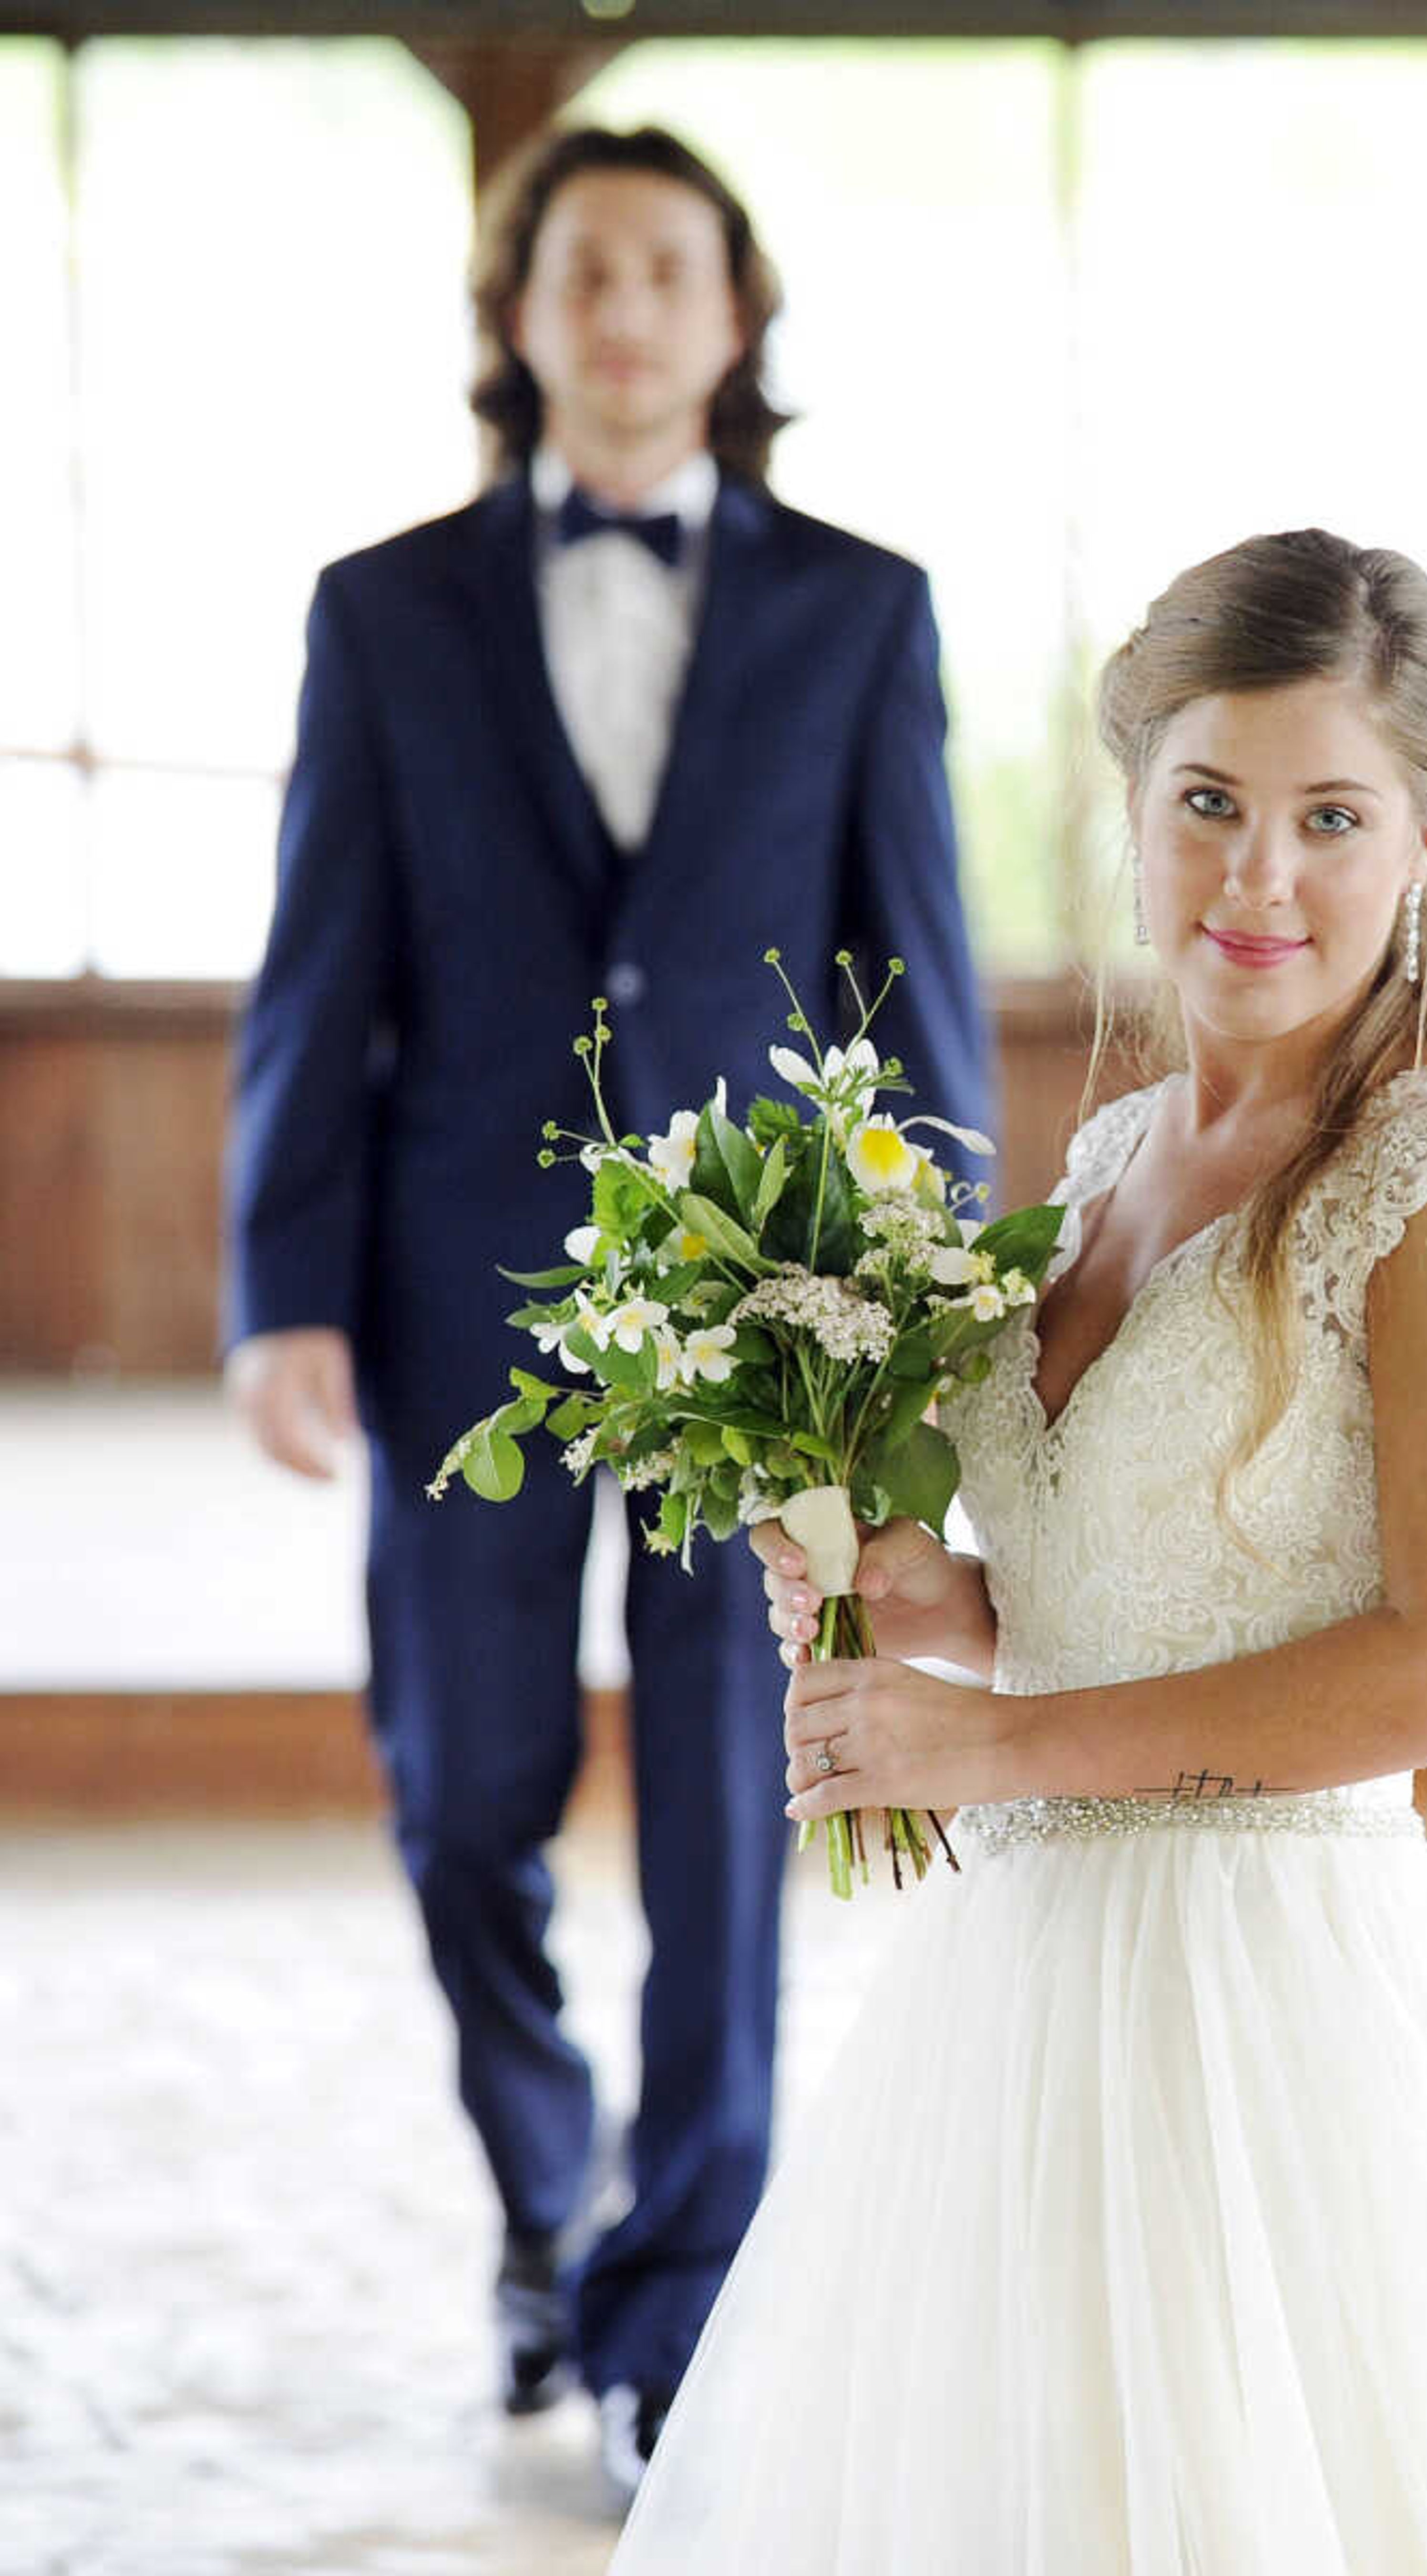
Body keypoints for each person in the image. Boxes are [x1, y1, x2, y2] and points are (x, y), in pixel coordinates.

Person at [607, 529, 1427, 2570]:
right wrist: (944, 1610)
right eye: (1213, 807)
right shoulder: (1106, 1162)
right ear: (1137, 809)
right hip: (1017, 1995)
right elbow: (1125, 1588)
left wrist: (984, 1749)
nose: (1260, 880)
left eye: (1331, 818)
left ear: (1424, 840)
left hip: (1274, 2014)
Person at [222, 121, 989, 2487]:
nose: (629, 312)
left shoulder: (865, 610)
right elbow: (316, 968)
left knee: (730, 1822)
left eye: (672, 270)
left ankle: (680, 2291)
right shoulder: (383, 609)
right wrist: (281, 1281)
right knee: (461, 1798)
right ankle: (549, 2185)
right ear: (525, 315)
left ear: (735, 318)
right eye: (585, 272)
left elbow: (919, 979)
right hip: (455, 1303)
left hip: (762, 1318)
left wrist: (927, 1310)